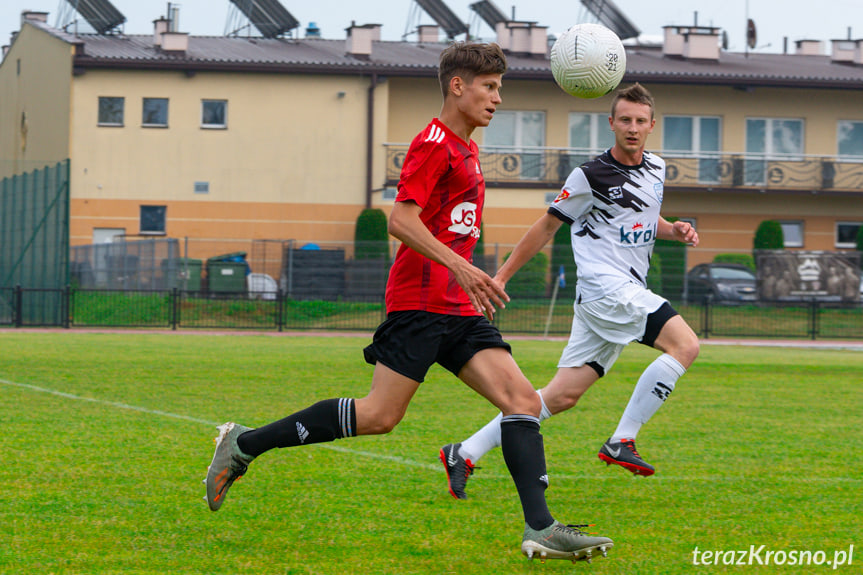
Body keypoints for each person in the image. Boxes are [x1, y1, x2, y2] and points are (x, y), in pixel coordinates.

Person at [205, 41, 613, 563]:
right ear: (458, 86)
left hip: (459, 309)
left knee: (523, 402)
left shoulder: (467, 148)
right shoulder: (434, 143)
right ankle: (244, 444)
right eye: (489, 87)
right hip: (419, 304)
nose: (497, 99)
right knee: (379, 416)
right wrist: (465, 267)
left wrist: (468, 277)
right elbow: (401, 220)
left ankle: (542, 527)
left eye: (500, 89)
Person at [439, 83, 700, 500]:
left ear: (652, 125)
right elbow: (545, 226)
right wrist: (501, 277)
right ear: (611, 123)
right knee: (684, 345)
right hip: (606, 290)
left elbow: (645, 220)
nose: (632, 128)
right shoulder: (589, 175)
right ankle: (622, 440)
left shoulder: (656, 169)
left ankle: (464, 452)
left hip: (619, 293)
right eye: (624, 120)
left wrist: (675, 230)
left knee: (561, 396)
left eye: (640, 121)